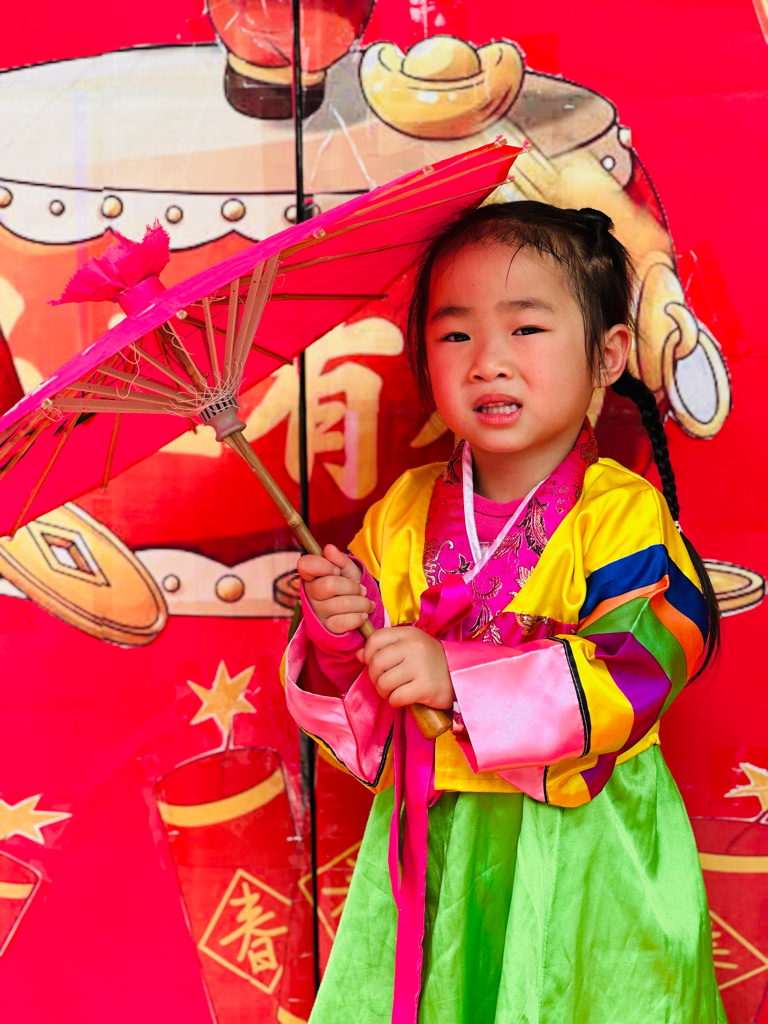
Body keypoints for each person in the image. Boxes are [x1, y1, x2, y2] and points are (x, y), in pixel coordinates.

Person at [282, 201, 727, 1024]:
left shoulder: (621, 514)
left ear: (608, 355)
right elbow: (364, 711)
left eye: (526, 329)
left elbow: (637, 673)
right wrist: (340, 633)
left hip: (585, 841)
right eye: (456, 335)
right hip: (433, 838)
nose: (488, 362)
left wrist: (454, 674)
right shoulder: (402, 513)